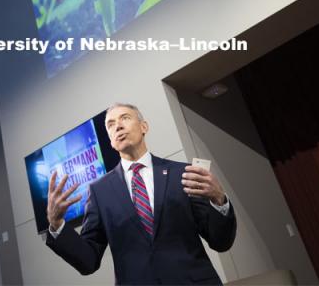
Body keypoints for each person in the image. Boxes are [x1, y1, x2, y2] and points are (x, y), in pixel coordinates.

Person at [46, 103, 237, 285]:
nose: (118, 126)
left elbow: (220, 242)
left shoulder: (183, 174)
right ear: (111, 141)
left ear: (144, 126)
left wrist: (219, 200)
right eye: (111, 125)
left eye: (125, 118)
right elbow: (88, 261)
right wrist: (57, 225)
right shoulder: (99, 191)